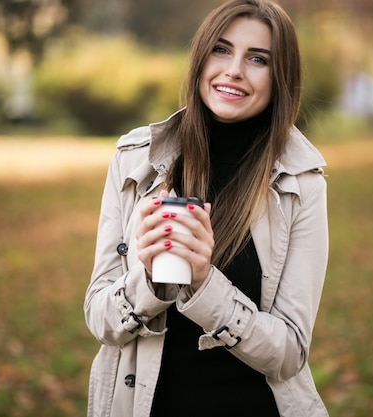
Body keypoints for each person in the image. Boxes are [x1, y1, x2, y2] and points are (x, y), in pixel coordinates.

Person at [84, 0, 329, 416]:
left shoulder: (300, 183)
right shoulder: (134, 161)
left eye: (258, 59)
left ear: (280, 78)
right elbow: (100, 319)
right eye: (221, 49)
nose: (234, 69)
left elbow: (290, 352)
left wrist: (204, 285)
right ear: (200, 59)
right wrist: (148, 280)